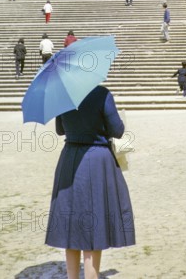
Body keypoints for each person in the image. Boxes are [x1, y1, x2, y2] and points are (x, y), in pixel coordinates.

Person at [45, 85, 135, 279]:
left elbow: (60, 129)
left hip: (70, 158)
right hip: (97, 158)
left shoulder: (63, 94)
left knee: (71, 224)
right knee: (95, 225)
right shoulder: (102, 93)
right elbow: (117, 131)